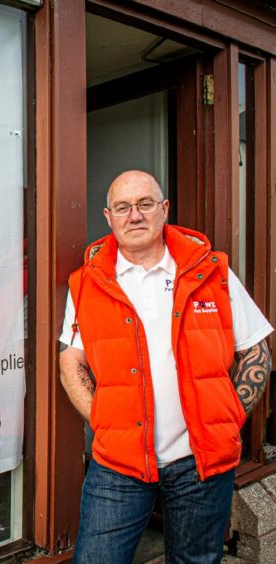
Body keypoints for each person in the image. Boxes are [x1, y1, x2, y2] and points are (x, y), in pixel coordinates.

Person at [59, 170, 273, 563]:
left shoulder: (212, 273)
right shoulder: (89, 282)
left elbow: (257, 351)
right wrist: (106, 421)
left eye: (145, 204)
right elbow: (71, 361)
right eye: (123, 207)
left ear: (164, 209)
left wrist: (225, 418)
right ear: (109, 217)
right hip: (118, 466)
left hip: (201, 463)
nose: (134, 216)